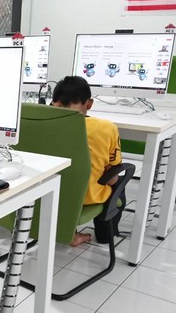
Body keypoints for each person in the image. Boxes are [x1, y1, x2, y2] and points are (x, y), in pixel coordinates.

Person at [51, 76, 123, 247]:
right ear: (89, 104)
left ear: (54, 103)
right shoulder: (106, 128)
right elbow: (112, 171)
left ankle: (69, 232)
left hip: (48, 192)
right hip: (87, 196)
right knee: (117, 182)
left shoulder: (43, 123)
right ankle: (105, 235)